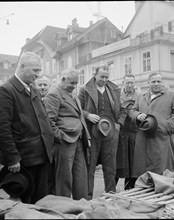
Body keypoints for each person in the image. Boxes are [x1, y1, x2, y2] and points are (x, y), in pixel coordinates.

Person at [0, 52, 54, 204]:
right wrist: (12, 158)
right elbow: (0, 129)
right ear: (22, 66)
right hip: (23, 161)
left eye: (39, 70)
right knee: (25, 205)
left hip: (41, 156)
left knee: (40, 201)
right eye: (35, 70)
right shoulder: (5, 91)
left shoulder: (33, 90)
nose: (38, 75)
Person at [78, 65, 126, 200]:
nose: (104, 80)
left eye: (106, 77)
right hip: (92, 134)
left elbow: (123, 110)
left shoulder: (114, 90)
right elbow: (77, 109)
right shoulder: (85, 90)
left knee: (110, 166)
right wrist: (87, 115)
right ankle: (87, 198)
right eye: (101, 77)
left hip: (110, 135)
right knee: (90, 167)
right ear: (95, 75)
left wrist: (118, 124)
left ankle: (110, 195)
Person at [43, 68, 91, 200]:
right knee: (64, 178)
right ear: (63, 80)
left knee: (80, 176)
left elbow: (80, 116)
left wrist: (86, 135)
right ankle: (63, 206)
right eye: (72, 83)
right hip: (64, 142)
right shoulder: (54, 95)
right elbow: (48, 122)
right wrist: (61, 137)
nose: (74, 86)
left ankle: (81, 205)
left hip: (79, 139)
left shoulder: (72, 93)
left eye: (76, 83)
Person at [129, 72, 174, 179]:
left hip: (163, 138)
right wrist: (137, 115)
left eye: (158, 81)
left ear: (162, 82)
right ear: (148, 82)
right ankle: (146, 186)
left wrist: (167, 126)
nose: (156, 84)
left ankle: (163, 186)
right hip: (144, 136)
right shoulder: (141, 96)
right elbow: (132, 111)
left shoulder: (172, 95)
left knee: (163, 167)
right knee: (143, 166)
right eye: (153, 81)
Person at [115, 74, 139, 190]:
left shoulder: (140, 96)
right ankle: (111, 188)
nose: (130, 85)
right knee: (119, 160)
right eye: (127, 82)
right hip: (121, 132)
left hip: (135, 131)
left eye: (132, 83)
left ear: (135, 83)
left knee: (133, 161)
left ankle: (129, 188)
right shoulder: (117, 94)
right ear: (123, 82)